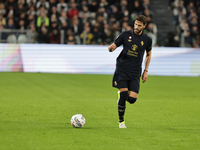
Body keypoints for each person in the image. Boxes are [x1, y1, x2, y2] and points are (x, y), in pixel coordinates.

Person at [108, 15, 152, 128]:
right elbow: (113, 46)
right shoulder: (125, 35)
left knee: (132, 99)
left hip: (135, 71)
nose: (136, 27)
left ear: (144, 26)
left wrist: (146, 71)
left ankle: (122, 96)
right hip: (122, 69)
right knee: (123, 94)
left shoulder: (147, 40)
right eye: (136, 24)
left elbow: (148, 55)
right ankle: (121, 122)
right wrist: (111, 48)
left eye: (139, 25)